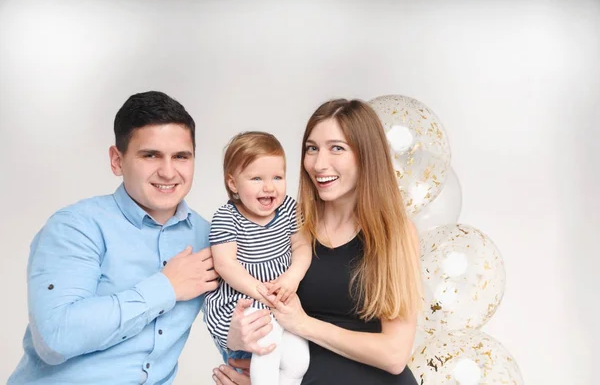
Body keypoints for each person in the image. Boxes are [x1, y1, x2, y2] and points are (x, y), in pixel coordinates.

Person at [8, 91, 221, 384]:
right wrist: (166, 286)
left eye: (181, 157)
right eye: (151, 155)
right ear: (117, 160)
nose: (169, 171)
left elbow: (231, 320)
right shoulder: (75, 227)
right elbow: (55, 338)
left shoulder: (210, 238)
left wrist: (243, 359)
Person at [213, 98, 422, 385]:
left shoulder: (396, 233)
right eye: (312, 149)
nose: (319, 164)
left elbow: (394, 355)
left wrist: (304, 324)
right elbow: (236, 294)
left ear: (366, 155)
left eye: (337, 148)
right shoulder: (292, 224)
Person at [204, 131, 311, 385]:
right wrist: (260, 290)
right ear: (233, 184)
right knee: (266, 351)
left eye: (277, 177)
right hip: (250, 302)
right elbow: (225, 263)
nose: (269, 187)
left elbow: (302, 246)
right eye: (256, 178)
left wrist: (292, 277)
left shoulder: (287, 209)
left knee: (298, 362)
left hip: (284, 299)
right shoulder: (227, 218)